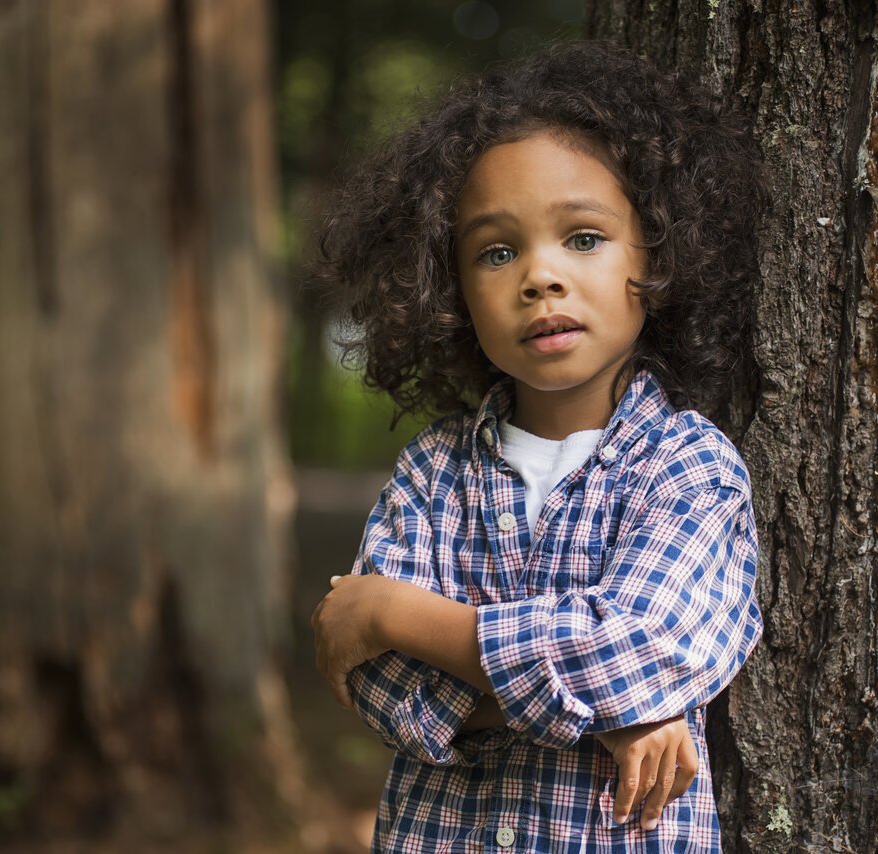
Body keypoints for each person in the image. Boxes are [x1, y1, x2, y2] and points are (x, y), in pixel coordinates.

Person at [309, 40, 767, 852]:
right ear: (451, 292)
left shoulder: (690, 469)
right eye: (497, 251)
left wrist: (393, 611)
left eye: (583, 238)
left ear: (655, 257)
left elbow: (637, 649)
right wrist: (606, 719)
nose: (540, 277)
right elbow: (381, 686)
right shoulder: (433, 472)